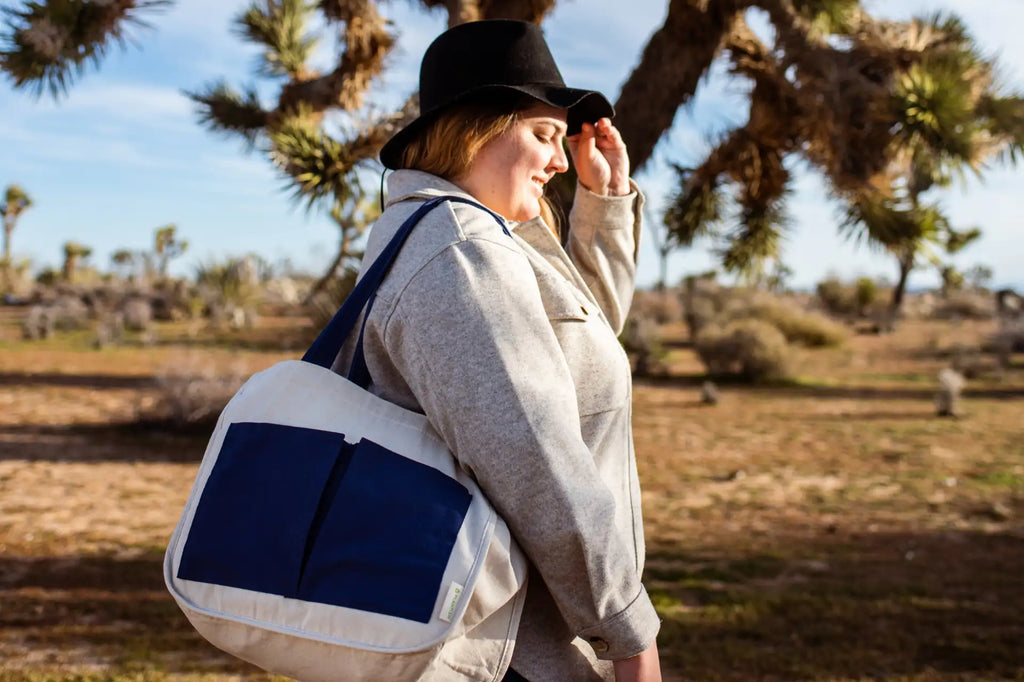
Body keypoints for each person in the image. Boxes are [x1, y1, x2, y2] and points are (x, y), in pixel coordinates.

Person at [339, 19, 661, 682]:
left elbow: (578, 342)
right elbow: (537, 461)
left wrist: (603, 201)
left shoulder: (465, 236)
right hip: (501, 653)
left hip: (507, 636)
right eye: (544, 135)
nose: (561, 160)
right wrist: (629, 632)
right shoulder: (459, 249)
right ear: (476, 128)